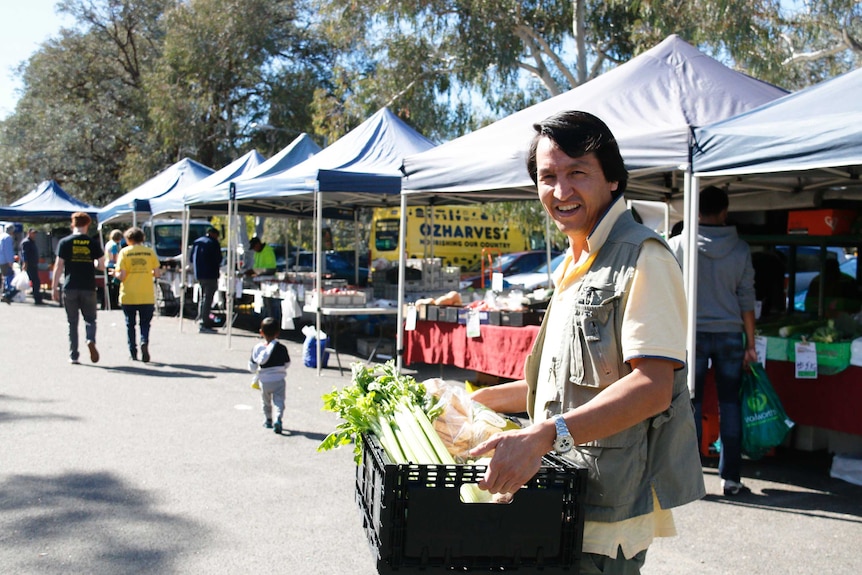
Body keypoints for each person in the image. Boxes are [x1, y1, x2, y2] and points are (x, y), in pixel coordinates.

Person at [469, 111, 704, 574]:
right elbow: (562, 390)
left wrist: (543, 435)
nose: (561, 191)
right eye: (548, 176)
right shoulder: (576, 265)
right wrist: (475, 401)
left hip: (603, 515)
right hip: (558, 504)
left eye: (577, 172)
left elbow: (652, 387)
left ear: (613, 178)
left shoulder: (643, 257)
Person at [668, 185, 756, 497]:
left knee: (689, 403)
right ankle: (731, 479)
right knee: (730, 404)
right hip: (731, 333)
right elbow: (747, 298)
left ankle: (690, 477)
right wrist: (751, 343)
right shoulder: (740, 249)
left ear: (695, 210)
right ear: (724, 212)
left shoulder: (677, 245)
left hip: (690, 335)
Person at [52, 212, 105, 364]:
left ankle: (74, 355)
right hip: (88, 286)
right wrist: (94, 264)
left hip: (70, 286)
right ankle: (90, 339)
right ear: (87, 224)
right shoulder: (92, 243)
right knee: (90, 319)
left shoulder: (64, 242)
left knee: (72, 322)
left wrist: (54, 287)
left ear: (73, 224)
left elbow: (58, 266)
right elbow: (101, 265)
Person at [114, 227, 161, 362]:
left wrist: (115, 274)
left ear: (128, 240)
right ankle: (144, 340)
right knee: (145, 323)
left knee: (130, 324)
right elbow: (157, 273)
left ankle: (133, 351)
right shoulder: (149, 252)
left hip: (128, 294)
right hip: (146, 294)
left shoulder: (124, 252)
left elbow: (122, 276)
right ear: (142, 239)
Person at [248, 317, 290, 434]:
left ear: (261, 332)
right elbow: (287, 363)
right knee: (279, 401)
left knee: (265, 401)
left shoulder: (257, 348)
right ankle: (278, 418)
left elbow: (252, 367)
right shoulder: (281, 348)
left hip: (264, 381)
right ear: (278, 333)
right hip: (279, 380)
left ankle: (268, 420)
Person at [191, 226, 222, 333]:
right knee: (208, 299)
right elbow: (218, 259)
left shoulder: (197, 242)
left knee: (203, 298)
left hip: (199, 274)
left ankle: (202, 318)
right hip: (210, 274)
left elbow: (191, 258)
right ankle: (204, 323)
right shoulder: (213, 243)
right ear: (214, 234)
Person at [20, 228, 43, 305]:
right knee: (33, 282)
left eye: (35, 233)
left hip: (33, 265)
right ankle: (38, 299)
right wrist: (25, 263)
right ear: (28, 233)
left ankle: (9, 295)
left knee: (31, 282)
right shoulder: (26, 242)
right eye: (33, 233)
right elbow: (24, 254)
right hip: (29, 265)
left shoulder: (31, 242)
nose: (34, 235)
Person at [104, 229, 124, 308]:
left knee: (109, 286)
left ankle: (108, 303)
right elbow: (115, 256)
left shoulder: (108, 243)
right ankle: (114, 303)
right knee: (115, 286)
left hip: (107, 265)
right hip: (113, 266)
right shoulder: (115, 245)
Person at [1, 224, 18, 304]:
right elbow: (8, 251)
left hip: (1, 260)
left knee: (4, 278)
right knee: (9, 276)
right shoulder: (8, 238)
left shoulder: (1, 236)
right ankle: (7, 295)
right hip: (5, 261)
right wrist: (10, 262)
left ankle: (3, 293)